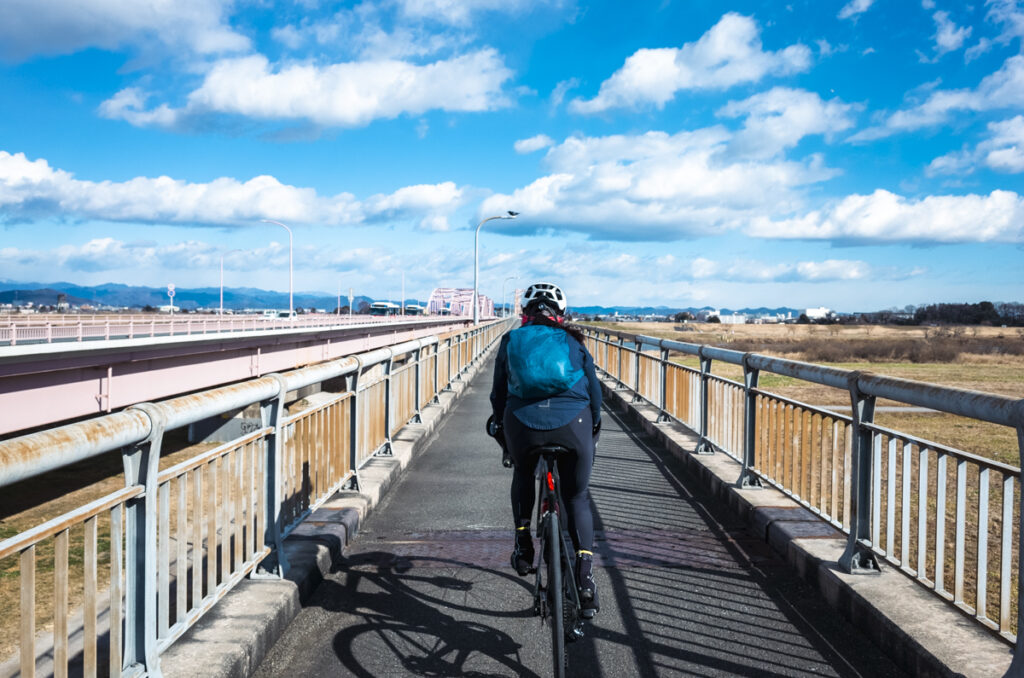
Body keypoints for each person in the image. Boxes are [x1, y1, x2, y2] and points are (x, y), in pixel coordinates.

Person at [488, 282, 602, 617]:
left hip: (522, 424)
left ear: (525, 313)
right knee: (577, 496)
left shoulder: (511, 340)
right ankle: (584, 577)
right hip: (574, 426)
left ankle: (523, 544)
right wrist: (593, 426)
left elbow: (499, 394)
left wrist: (499, 424)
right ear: (562, 314)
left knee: (523, 471)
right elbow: (594, 394)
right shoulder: (573, 341)